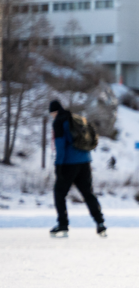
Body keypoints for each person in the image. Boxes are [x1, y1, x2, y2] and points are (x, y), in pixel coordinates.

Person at [48, 99, 106, 238]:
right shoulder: (75, 118)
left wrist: (58, 166)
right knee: (88, 193)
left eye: (51, 113)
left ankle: (63, 225)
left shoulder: (59, 122)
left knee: (59, 193)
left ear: (54, 111)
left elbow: (60, 147)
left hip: (69, 164)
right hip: (85, 162)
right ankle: (100, 223)